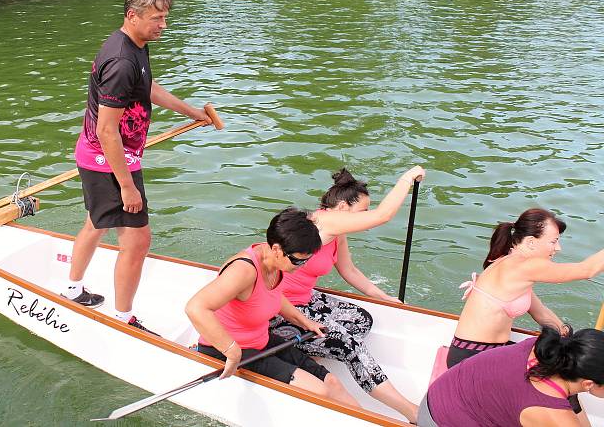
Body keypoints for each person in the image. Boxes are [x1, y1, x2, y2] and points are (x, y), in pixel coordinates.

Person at [62, 0, 211, 333]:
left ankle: (72, 288)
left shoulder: (134, 46)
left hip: (106, 157)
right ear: (132, 15)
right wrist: (127, 187)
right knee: (138, 240)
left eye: (165, 17)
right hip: (108, 160)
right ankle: (123, 317)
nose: (164, 25)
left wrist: (190, 112)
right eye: (157, 18)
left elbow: (148, 88)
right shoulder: (121, 62)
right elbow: (106, 131)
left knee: (96, 222)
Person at [270, 166, 424, 423]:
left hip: (305, 298)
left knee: (362, 319)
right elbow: (384, 216)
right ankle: (411, 412)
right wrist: (407, 178)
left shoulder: (337, 232)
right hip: (281, 308)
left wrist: (384, 298)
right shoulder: (324, 221)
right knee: (349, 345)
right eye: (362, 211)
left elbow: (349, 270)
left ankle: (304, 354)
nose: (365, 218)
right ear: (342, 206)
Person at [185, 207, 359, 406]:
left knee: (331, 382)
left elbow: (272, 295)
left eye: (306, 261)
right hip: (229, 350)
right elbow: (196, 307)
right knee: (319, 391)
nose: (300, 266)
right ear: (276, 249)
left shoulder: (276, 264)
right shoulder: (244, 270)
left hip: (262, 341)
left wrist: (304, 321)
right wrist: (232, 351)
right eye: (297, 261)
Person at [447, 207, 604, 423]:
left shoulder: (513, 263)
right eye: (553, 241)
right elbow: (587, 270)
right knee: (559, 377)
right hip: (471, 357)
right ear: (530, 242)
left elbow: (542, 314)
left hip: (489, 351)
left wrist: (570, 339)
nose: (558, 248)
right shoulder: (523, 266)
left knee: (564, 364)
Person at [418, 325, 604, 427]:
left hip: (437, 398)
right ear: (588, 383)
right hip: (440, 421)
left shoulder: (546, 351)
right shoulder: (553, 413)